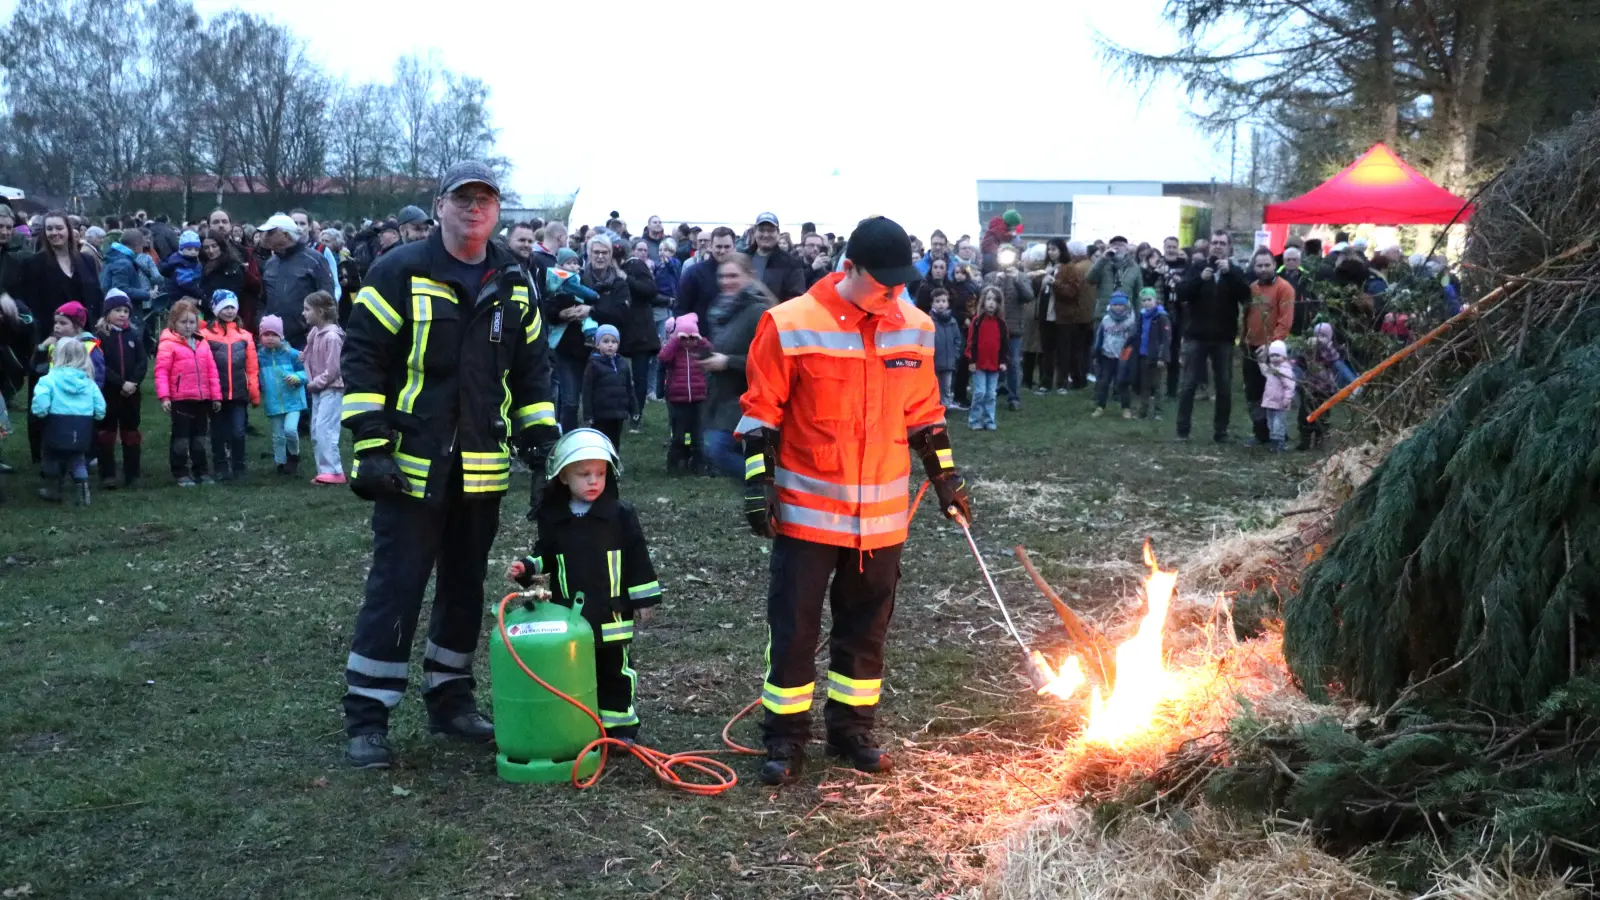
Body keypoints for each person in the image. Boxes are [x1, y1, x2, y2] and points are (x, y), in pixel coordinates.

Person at [736, 215, 971, 785]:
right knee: (795, 629)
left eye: (901, 284)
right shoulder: (790, 323)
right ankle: (785, 737)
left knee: (867, 629)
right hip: (808, 516)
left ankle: (851, 728)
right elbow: (760, 412)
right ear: (849, 268)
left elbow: (925, 414)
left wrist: (945, 477)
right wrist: (757, 486)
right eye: (883, 283)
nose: (894, 294)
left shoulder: (916, 328)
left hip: (882, 521)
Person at [339, 160, 558, 770]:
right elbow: (363, 358)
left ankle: (451, 700)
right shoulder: (399, 270)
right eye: (463, 199)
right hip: (410, 467)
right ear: (440, 206)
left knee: (464, 589)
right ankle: (368, 717)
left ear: (498, 212)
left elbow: (532, 370)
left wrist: (542, 443)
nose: (474, 209)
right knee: (396, 589)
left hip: (482, 469)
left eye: (485, 200)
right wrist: (372, 444)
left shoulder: (515, 280)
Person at [508, 428, 662, 740]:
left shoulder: (620, 515)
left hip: (611, 614)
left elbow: (638, 558)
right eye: (584, 474)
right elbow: (546, 555)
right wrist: (527, 567)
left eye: (600, 473)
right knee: (572, 670)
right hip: (570, 616)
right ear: (564, 477)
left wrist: (644, 599)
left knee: (614, 670)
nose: (594, 481)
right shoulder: (554, 518)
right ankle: (579, 725)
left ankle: (619, 728)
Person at [700, 254, 772, 478]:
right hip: (722, 395)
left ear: (749, 276)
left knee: (717, 449)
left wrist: (728, 362)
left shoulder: (758, 312)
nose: (726, 281)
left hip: (747, 398)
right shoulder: (722, 308)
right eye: (722, 276)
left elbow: (769, 360)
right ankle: (763, 485)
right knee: (721, 449)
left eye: (733, 276)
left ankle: (770, 484)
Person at [1175, 231, 1251, 443]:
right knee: (1188, 384)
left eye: (1222, 243)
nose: (1218, 246)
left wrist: (1230, 275)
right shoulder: (1197, 267)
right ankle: (1182, 430)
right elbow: (1181, 293)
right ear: (1209, 246)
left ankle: (1221, 431)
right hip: (1196, 336)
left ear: (1229, 247)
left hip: (1223, 338)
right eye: (1215, 242)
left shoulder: (1235, 270)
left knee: (1224, 386)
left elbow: (1246, 296)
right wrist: (1200, 280)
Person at [154, 299, 221, 486]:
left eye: (192, 322)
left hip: (202, 398)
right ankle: (181, 471)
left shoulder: (202, 342)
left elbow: (212, 370)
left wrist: (216, 396)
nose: (188, 326)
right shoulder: (168, 344)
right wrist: (165, 397)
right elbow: (161, 371)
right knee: (181, 437)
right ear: (174, 322)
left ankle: (201, 471)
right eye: (183, 322)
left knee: (200, 437)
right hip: (180, 399)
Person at [30, 338, 104, 505]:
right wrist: (98, 416)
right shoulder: (88, 382)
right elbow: (100, 405)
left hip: (55, 425)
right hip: (82, 427)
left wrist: (40, 413)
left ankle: (54, 489)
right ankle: (83, 489)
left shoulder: (48, 380)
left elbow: (41, 403)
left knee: (50, 457)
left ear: (56, 356)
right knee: (78, 458)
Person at [197, 290, 260, 481]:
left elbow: (252, 367)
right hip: (216, 393)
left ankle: (239, 466)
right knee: (218, 432)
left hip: (239, 393)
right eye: (225, 307)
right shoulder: (205, 335)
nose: (230, 311)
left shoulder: (245, 336)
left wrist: (254, 392)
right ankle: (220, 466)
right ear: (216, 309)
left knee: (238, 431)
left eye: (232, 307)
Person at [1242, 248, 1296, 446]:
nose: (1263, 269)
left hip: (1273, 352)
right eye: (1259, 265)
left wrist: (1271, 346)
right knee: (1253, 394)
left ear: (1274, 265)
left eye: (1267, 265)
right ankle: (1260, 434)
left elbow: (1285, 321)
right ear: (1254, 267)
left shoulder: (1285, 288)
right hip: (1251, 347)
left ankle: (1278, 435)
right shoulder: (1252, 288)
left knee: (1275, 394)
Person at [94, 290, 146, 488]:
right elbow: (100, 365)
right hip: (109, 392)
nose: (122, 314)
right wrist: (120, 383)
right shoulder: (101, 337)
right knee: (106, 432)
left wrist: (133, 382)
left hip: (131, 393)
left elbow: (142, 361)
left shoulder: (133, 335)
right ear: (107, 312)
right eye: (117, 310)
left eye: (126, 311)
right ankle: (107, 474)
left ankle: (133, 473)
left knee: (131, 431)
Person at [259, 215, 334, 349]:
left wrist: (317, 333)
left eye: (270, 232)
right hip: (274, 339)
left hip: (306, 341)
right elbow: (262, 300)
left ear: (285, 235)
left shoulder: (315, 260)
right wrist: (263, 325)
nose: (264, 236)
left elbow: (328, 300)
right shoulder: (270, 263)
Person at [301, 290, 345, 485]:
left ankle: (335, 471)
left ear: (320, 312)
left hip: (332, 388)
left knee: (325, 429)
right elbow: (309, 353)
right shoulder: (315, 333)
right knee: (316, 430)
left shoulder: (333, 337)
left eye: (307, 309)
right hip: (319, 388)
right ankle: (324, 471)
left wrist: (314, 383)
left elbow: (333, 370)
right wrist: (304, 357)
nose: (303, 313)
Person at [656, 312, 708, 475]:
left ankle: (698, 465)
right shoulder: (674, 351)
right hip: (678, 399)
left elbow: (710, 350)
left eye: (692, 338)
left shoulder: (699, 350)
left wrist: (699, 339)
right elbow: (662, 357)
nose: (688, 342)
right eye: (684, 338)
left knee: (697, 435)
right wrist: (675, 340)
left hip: (698, 399)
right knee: (679, 435)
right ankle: (676, 465)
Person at [255, 315, 307, 475]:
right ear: (261, 336)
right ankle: (280, 463)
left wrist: (298, 377)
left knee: (290, 430)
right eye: (266, 334)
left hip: (293, 400)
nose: (270, 338)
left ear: (281, 336)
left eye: (274, 334)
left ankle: (294, 455)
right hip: (273, 402)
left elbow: (307, 372)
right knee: (278, 435)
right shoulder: (259, 357)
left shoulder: (292, 354)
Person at [582, 324, 636, 452]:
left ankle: (613, 462)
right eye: (605, 341)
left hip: (618, 412)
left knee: (614, 442)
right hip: (600, 414)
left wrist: (634, 409)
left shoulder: (623, 364)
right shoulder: (593, 365)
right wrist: (588, 414)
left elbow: (629, 388)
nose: (610, 345)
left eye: (614, 341)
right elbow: (587, 391)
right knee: (600, 443)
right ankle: (600, 463)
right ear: (597, 344)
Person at [965, 286, 1008, 431]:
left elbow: (1004, 344)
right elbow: (971, 342)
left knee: (991, 394)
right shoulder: (977, 321)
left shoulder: (1001, 324)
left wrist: (1003, 361)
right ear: (983, 301)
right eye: (988, 299)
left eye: (995, 300)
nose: (991, 303)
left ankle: (989, 420)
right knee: (980, 392)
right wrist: (971, 360)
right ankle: (974, 420)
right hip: (979, 364)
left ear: (999, 304)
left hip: (994, 364)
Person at [1091, 290, 1137, 418]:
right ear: (1111, 305)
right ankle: (1100, 407)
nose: (1118, 307)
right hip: (1107, 356)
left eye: (1120, 305)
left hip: (1123, 357)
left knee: (1122, 383)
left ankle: (1126, 408)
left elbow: (1133, 340)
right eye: (1115, 304)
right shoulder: (1106, 320)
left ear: (1125, 305)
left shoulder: (1130, 321)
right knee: (1103, 382)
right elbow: (1100, 337)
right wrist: (1096, 352)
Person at [676, 226, 737, 321]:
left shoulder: (741, 274)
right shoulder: (694, 273)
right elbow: (680, 308)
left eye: (727, 247)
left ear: (734, 248)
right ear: (711, 247)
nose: (722, 251)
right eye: (718, 246)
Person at [748, 212, 806, 302]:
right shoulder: (744, 257)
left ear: (778, 233)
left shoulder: (792, 264)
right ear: (755, 232)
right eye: (761, 230)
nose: (766, 235)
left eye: (771, 230)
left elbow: (796, 299)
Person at [1134, 288, 1171, 420]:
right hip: (1144, 355)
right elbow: (1138, 334)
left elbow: (1165, 338)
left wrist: (1162, 357)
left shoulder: (1161, 316)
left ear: (1155, 300)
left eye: (1149, 300)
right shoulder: (1142, 315)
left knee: (1158, 385)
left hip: (1157, 357)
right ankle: (1142, 411)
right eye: (1144, 300)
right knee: (1144, 385)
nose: (1147, 303)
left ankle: (1158, 412)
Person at [1086, 235, 1143, 320]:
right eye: (1114, 245)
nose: (1117, 247)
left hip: (1126, 317)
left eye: (1121, 245)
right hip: (1103, 315)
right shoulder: (1103, 264)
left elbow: (1138, 294)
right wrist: (1103, 259)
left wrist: (1138, 318)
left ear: (1127, 249)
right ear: (1109, 247)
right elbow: (1089, 279)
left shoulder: (1134, 267)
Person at [1257, 340, 1296, 452]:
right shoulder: (1272, 368)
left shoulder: (1285, 370)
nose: (1274, 358)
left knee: (1278, 423)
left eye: (1277, 355)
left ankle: (1279, 443)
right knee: (1271, 422)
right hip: (1270, 401)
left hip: (1280, 402)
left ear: (1284, 356)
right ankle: (1274, 442)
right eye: (1272, 355)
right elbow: (1265, 371)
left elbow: (1289, 385)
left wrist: (1288, 398)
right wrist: (1261, 362)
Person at [930, 289, 961, 409]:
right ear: (932, 303)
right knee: (934, 386)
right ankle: (934, 407)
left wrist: (955, 354)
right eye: (937, 301)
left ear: (948, 303)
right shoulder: (929, 321)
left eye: (943, 301)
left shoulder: (952, 322)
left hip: (949, 362)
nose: (941, 304)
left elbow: (957, 340)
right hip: (934, 361)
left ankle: (945, 407)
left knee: (946, 386)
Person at [160, 231, 205, 304]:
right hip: (180, 296)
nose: (193, 252)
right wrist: (200, 293)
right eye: (189, 249)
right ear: (181, 249)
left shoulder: (189, 259)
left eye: (196, 249)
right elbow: (185, 283)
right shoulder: (181, 263)